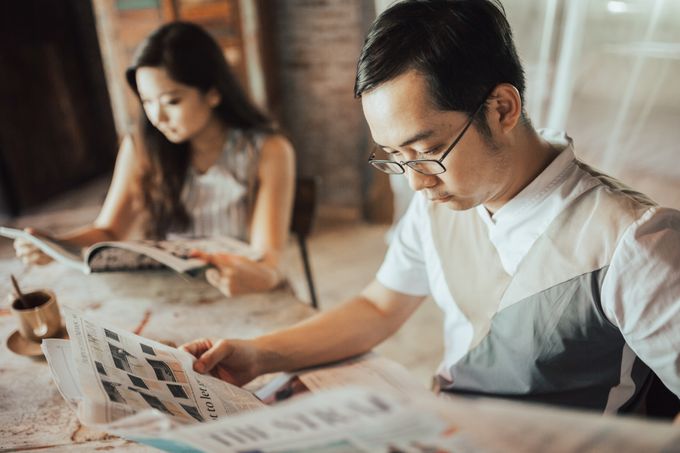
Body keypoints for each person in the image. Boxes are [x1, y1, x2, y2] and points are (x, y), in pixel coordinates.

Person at [181, 0, 680, 417]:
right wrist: (257, 354)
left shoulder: (634, 243)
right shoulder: (442, 200)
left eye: (426, 151)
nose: (417, 182)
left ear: (502, 108)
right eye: (396, 157)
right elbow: (380, 306)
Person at [13, 21, 295, 296]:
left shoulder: (268, 150)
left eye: (172, 101)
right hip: (170, 288)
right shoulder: (141, 146)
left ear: (213, 92)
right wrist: (54, 245)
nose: (157, 118)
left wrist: (263, 276)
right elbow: (109, 230)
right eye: (147, 102)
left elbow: (268, 256)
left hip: (238, 286)